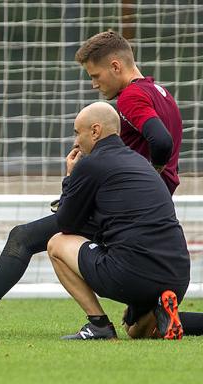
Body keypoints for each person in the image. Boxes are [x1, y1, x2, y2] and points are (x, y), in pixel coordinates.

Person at [0, 30, 200, 338]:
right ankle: (161, 314)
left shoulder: (131, 96)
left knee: (25, 237)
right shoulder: (161, 92)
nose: (94, 84)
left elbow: (161, 141)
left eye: (96, 75)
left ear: (116, 66)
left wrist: (142, 173)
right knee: (138, 329)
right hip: (153, 213)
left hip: (121, 210)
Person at [47, 101, 189, 340]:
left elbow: (66, 224)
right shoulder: (141, 163)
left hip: (132, 273)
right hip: (177, 275)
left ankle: (98, 325)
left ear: (95, 131)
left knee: (56, 244)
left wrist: (69, 178)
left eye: (77, 133)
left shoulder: (91, 165)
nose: (75, 142)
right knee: (135, 332)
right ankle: (163, 311)